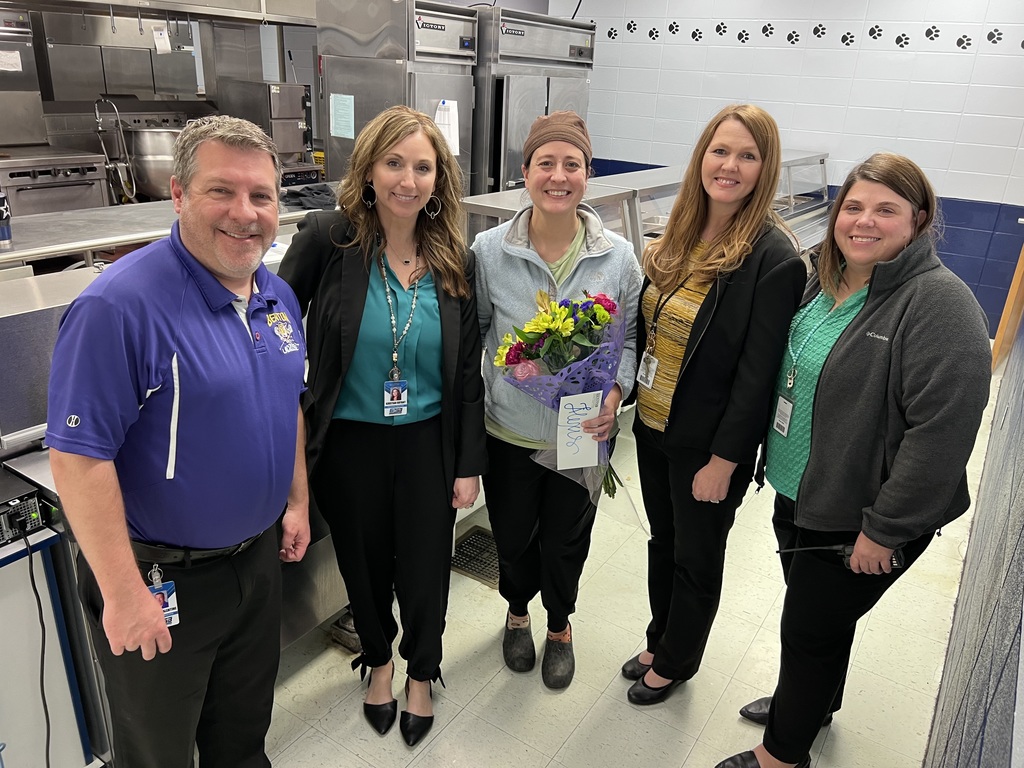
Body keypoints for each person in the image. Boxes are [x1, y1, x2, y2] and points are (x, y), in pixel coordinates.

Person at [46, 115, 310, 768]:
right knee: (156, 754)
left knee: (242, 738)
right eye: (222, 191)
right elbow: (78, 458)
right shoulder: (120, 307)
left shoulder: (276, 296)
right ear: (179, 194)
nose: (245, 214)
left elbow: (287, 404)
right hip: (160, 578)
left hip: (254, 565)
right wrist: (123, 591)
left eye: (262, 196)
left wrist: (297, 501)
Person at [718, 153, 992, 768]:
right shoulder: (829, 281)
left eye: (886, 210)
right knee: (821, 624)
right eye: (854, 206)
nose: (864, 221)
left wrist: (884, 529)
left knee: (808, 632)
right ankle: (812, 704)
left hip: (858, 514)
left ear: (919, 221)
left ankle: (783, 754)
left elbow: (940, 436)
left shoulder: (938, 303)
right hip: (801, 492)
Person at [277, 105, 486, 747]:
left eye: (423, 166)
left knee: (425, 565)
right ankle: (378, 659)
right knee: (362, 565)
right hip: (348, 442)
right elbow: (275, 325)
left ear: (438, 179)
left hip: (428, 438)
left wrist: (468, 462)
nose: (408, 179)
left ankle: (422, 671)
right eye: (394, 163)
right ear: (369, 170)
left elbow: (465, 373)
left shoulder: (455, 258)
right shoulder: (327, 238)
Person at [620, 104, 806, 706]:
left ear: (764, 167)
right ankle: (659, 636)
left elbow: (758, 378)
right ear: (702, 155)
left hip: (706, 445)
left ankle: (677, 661)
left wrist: (726, 460)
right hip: (652, 425)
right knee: (662, 543)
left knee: (697, 557)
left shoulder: (773, 258)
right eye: (719, 151)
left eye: (746, 155)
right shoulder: (682, 229)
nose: (728, 165)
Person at [473, 111, 643, 689]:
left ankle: (561, 626)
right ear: (526, 172)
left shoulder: (617, 258)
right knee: (514, 533)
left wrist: (615, 392)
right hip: (509, 430)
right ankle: (517, 612)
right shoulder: (490, 250)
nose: (558, 175)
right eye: (546, 163)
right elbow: (476, 330)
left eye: (572, 164)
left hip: (581, 434)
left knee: (569, 537)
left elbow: (632, 340)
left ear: (587, 175)